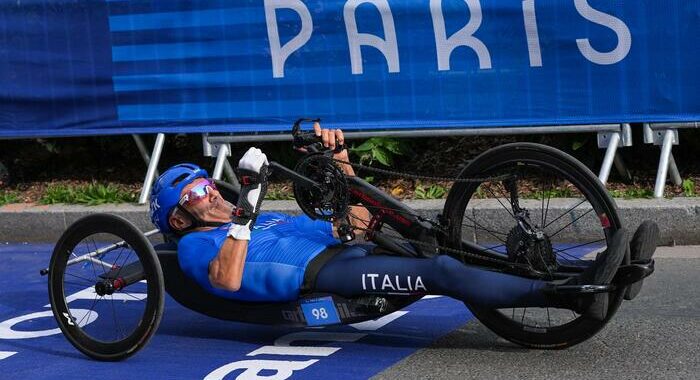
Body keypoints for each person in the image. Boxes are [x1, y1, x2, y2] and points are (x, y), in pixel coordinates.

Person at [149, 123, 656, 320]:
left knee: (440, 242)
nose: (211, 192)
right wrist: (244, 212)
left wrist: (340, 161)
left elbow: (356, 218)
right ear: (178, 215)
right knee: (441, 272)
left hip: (348, 248)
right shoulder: (197, 246)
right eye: (196, 191)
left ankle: (593, 269)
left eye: (211, 183)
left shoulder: (263, 218)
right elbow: (228, 280)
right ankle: (577, 295)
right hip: (327, 275)